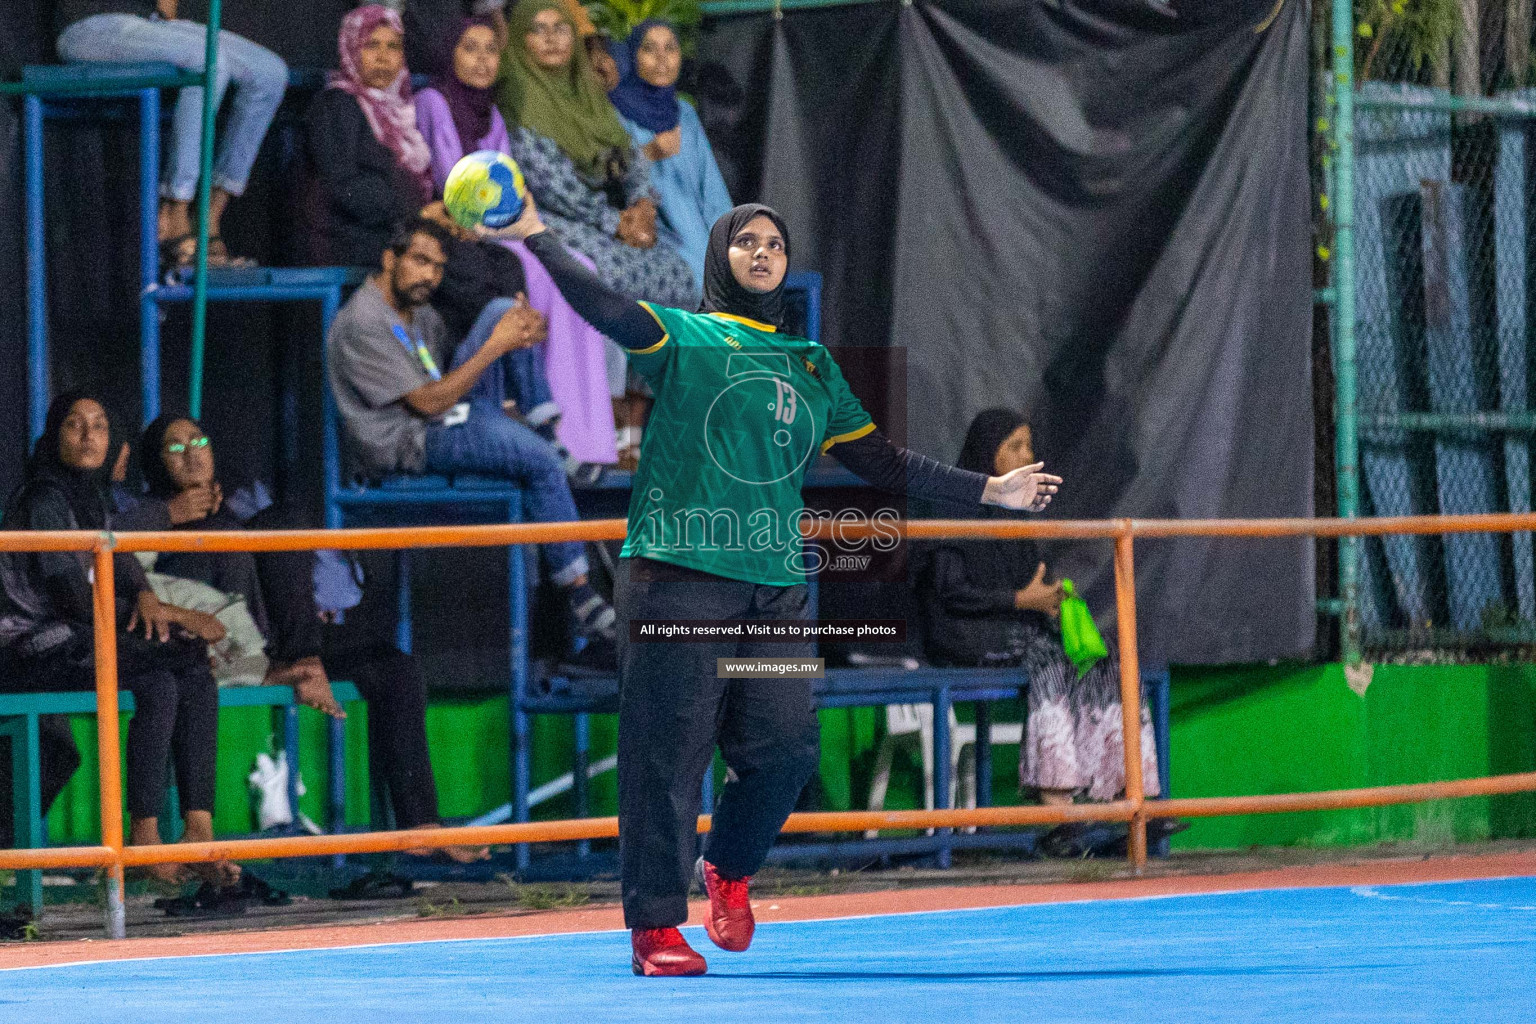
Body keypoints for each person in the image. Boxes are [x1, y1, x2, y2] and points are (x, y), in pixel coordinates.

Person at [499, 197, 1061, 975]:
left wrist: (990, 492)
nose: (762, 253)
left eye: (774, 243)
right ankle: (656, 928)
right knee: (668, 758)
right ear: (719, 257)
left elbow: (886, 465)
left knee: (787, 749)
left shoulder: (811, 364)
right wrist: (536, 233)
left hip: (773, 590)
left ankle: (728, 868)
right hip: (678, 580)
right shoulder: (685, 337)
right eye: (746, 242)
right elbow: (601, 305)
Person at [120, 415, 487, 863]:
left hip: (284, 638)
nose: (193, 453)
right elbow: (120, 566)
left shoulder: (236, 514)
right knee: (250, 536)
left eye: (200, 441)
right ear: (154, 465)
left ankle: (421, 823)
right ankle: (303, 661)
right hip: (210, 652)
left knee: (396, 668)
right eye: (175, 448)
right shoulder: (145, 521)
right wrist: (170, 516)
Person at [327, 215, 615, 641]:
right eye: (420, 262)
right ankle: (578, 592)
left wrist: (516, 329)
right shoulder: (364, 321)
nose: (430, 276)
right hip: (412, 441)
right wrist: (497, 345)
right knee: (537, 463)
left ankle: (548, 434)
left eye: (437, 267)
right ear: (390, 259)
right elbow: (428, 403)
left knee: (505, 311)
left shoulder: (414, 310)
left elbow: (448, 376)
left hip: (449, 416)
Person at [0, 392, 238, 886]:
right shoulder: (45, 496)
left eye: (101, 426)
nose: (90, 436)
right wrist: (169, 613)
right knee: (165, 672)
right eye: (75, 425)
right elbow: (71, 596)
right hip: (32, 647)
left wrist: (147, 597)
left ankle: (197, 829)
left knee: (181, 673)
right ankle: (146, 840)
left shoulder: (89, 494)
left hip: (77, 637)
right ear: (55, 435)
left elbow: (118, 557)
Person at [917, 409, 1175, 857]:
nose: (1026, 456)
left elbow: (1025, 584)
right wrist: (1021, 601)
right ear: (987, 452)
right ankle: (1058, 817)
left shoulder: (1016, 512)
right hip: (964, 634)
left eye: (1029, 446)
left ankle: (1132, 804)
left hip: (1017, 629)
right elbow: (949, 591)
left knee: (1108, 660)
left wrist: (1047, 599)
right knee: (1052, 663)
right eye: (1014, 446)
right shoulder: (954, 506)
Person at [414, 17, 618, 466]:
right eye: (471, 48)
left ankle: (590, 438)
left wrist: (517, 222)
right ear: (450, 54)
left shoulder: (494, 112)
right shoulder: (432, 100)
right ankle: (555, 429)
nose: (484, 59)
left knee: (579, 267)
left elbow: (509, 186)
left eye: (491, 49)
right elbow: (456, 187)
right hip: (460, 230)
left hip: (499, 228)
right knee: (538, 276)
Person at [55, 0, 287, 274]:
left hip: (149, 23)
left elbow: (167, 10)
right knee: (207, 61)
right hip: (91, 25)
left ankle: (208, 217)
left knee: (269, 73)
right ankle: (174, 210)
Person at [496, 0, 697, 312]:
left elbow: (629, 155)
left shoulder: (587, 93)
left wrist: (642, 205)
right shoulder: (518, 101)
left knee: (682, 275)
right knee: (616, 274)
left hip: (615, 217)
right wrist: (616, 223)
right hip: (554, 218)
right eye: (539, 30)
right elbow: (552, 185)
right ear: (521, 39)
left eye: (561, 29)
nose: (551, 39)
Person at [303, 5, 434, 267]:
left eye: (393, 47)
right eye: (371, 45)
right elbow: (344, 185)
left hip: (392, 229)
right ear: (351, 48)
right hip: (347, 235)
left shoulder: (403, 111)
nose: (384, 57)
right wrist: (417, 213)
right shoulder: (336, 104)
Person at [608, 21, 734, 290]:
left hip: (699, 239)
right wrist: (649, 153)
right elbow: (609, 180)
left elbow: (711, 189)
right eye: (650, 49)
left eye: (670, 48)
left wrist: (729, 241)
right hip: (653, 239)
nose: (662, 59)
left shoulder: (684, 114)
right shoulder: (616, 113)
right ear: (633, 56)